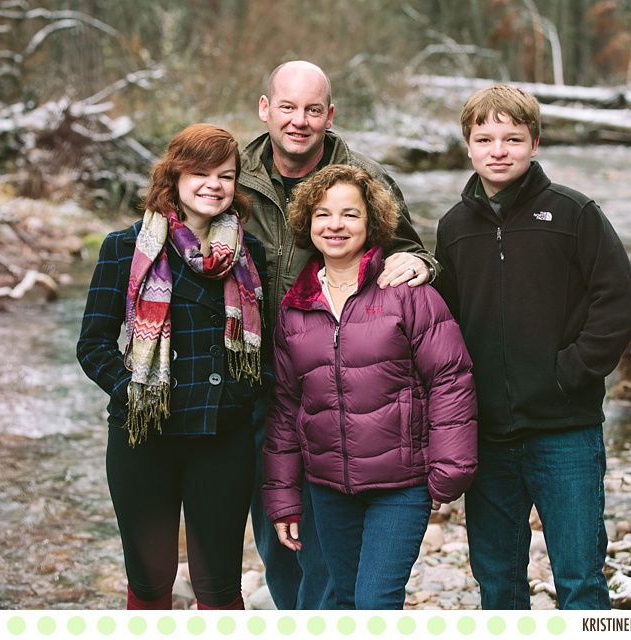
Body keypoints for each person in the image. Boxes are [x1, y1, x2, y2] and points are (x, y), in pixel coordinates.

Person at [433, 84, 631, 610]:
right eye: (485, 138)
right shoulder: (454, 228)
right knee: (499, 584)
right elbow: (445, 324)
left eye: (513, 137)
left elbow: (621, 303)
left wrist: (568, 372)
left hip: (564, 430)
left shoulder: (574, 214)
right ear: (467, 146)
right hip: (487, 437)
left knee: (580, 578)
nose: (498, 150)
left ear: (535, 143)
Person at [239, 59, 439, 610]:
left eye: (311, 110)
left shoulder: (366, 176)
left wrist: (421, 265)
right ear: (265, 109)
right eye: (287, 107)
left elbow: (412, 250)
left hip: (343, 392)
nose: (298, 120)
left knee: (327, 551)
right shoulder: (233, 176)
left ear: (329, 115)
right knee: (280, 536)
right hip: (260, 389)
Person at [261, 164, 478, 610]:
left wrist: (448, 471)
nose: (335, 225)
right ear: (307, 223)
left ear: (372, 222)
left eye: (349, 215)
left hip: (402, 484)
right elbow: (286, 406)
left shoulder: (407, 291)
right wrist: (283, 496)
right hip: (328, 488)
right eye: (322, 214)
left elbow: (450, 378)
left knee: (376, 602)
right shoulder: (295, 308)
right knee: (343, 601)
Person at [77, 123, 267, 610]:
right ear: (174, 177)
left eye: (226, 175)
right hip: (144, 437)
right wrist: (133, 391)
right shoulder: (125, 247)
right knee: (149, 582)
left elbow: (264, 352)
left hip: (221, 438)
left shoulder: (250, 254)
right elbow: (93, 345)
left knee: (219, 587)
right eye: (199, 172)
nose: (214, 185)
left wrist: (240, 398)